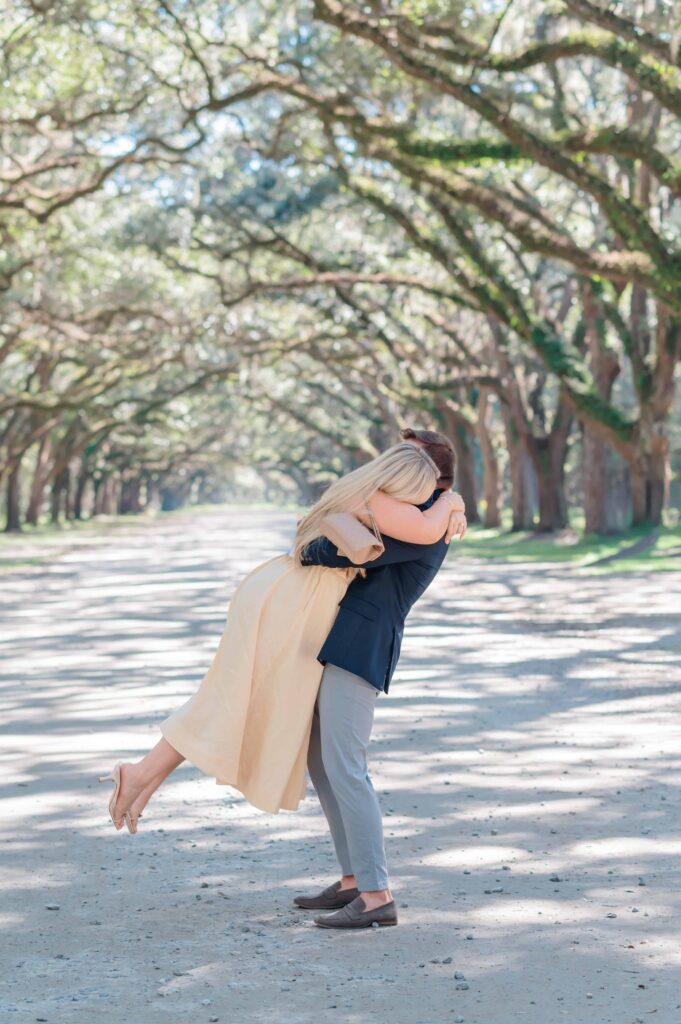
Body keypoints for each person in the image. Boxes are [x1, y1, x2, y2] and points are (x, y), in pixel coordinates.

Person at [99, 441, 465, 845]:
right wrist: (452, 503)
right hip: (293, 604)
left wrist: (451, 502)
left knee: (228, 697)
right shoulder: (391, 505)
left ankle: (142, 779)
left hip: (280, 592)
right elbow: (414, 534)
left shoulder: (366, 492)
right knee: (231, 700)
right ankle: (140, 776)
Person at [293, 428, 464, 930]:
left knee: (346, 767)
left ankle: (375, 893)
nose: (389, 473)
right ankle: (352, 880)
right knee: (323, 764)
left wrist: (311, 545)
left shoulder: (427, 527)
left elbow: (333, 551)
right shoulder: (415, 517)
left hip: (359, 649)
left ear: (425, 475)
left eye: (404, 464)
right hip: (337, 644)